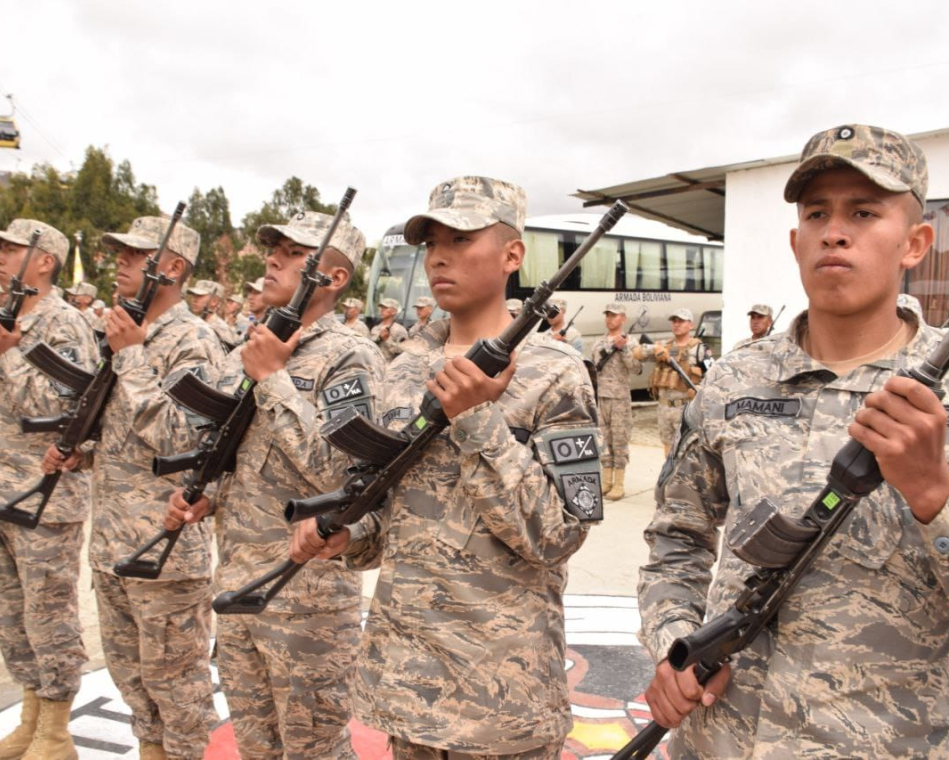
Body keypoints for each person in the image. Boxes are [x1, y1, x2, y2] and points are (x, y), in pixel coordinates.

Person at [638, 124, 949, 757]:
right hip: (720, 741)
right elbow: (675, 539)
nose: (835, 231)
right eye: (817, 213)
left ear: (915, 243)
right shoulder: (736, 377)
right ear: (796, 242)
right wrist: (675, 644)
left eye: (864, 212)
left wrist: (934, 491)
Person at [292, 175, 601, 758]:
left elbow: (559, 535)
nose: (439, 256)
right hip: (407, 688)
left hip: (500, 699)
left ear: (513, 255)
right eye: (432, 242)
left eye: (461, 239)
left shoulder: (556, 372)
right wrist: (349, 531)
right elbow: (393, 512)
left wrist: (477, 420)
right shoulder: (406, 366)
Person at [167, 211, 383, 759]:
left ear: (334, 279)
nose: (273, 260)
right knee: (256, 747)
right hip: (240, 581)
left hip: (305, 598)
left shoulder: (350, 356)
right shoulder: (262, 344)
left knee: (315, 750)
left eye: (292, 252)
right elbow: (251, 459)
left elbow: (342, 477)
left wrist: (273, 379)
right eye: (274, 249)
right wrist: (208, 496)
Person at [43, 215, 223, 759]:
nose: (119, 261)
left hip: (166, 553)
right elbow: (127, 439)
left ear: (172, 267)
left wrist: (132, 357)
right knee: (134, 686)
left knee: (178, 692)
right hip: (115, 544)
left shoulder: (192, 341)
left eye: (134, 254)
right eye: (118, 251)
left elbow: (182, 443)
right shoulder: (126, 334)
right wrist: (83, 453)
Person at [0, 220, 99, 760]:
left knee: (48, 616)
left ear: (45, 261)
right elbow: (10, 405)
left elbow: (65, 416)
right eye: (0, 248)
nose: (0, 257)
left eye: (11, 248)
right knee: (9, 618)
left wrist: (9, 354)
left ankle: (56, 735)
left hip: (45, 499)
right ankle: (29, 724)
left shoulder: (66, 325)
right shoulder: (7, 317)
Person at [634, 307, 704, 457]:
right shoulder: (665, 346)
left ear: (691, 325)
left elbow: (710, 376)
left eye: (681, 321)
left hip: (685, 407)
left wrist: (699, 389)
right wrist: (655, 349)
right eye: (674, 321)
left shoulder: (699, 349)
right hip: (664, 407)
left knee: (688, 448)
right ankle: (670, 477)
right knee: (668, 449)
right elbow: (637, 353)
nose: (676, 324)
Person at [591, 302, 641, 501]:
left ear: (623, 319)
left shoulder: (632, 343)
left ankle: (619, 483)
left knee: (619, 440)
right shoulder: (598, 344)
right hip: (601, 398)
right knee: (603, 440)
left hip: (619, 398)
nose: (610, 318)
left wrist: (623, 350)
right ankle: (606, 480)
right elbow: (593, 369)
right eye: (608, 315)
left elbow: (636, 368)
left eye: (614, 315)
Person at [187, 278, 235, 348]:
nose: (194, 299)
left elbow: (226, 357)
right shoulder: (192, 322)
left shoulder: (221, 329)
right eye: (194, 295)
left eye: (199, 296)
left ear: (214, 301)